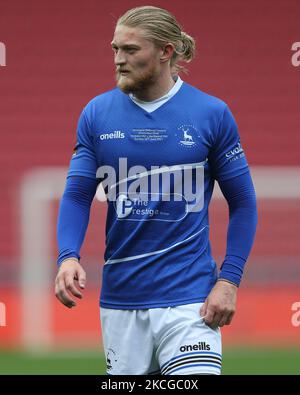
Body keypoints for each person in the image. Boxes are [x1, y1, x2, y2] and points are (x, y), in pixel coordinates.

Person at [55, 6, 258, 375]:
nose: (118, 59)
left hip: (190, 300)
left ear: (166, 51)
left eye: (131, 50)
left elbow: (243, 202)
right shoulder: (96, 114)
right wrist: (68, 256)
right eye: (115, 49)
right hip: (121, 301)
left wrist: (229, 281)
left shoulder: (211, 114)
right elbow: (77, 195)